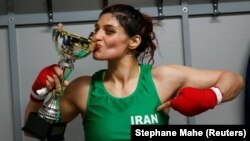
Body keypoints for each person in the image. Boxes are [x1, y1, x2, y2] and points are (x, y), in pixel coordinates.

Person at [24, 4, 245, 141]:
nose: (96, 37)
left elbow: (235, 80)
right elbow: (34, 132)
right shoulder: (83, 89)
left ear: (133, 41)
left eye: (108, 31)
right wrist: (37, 94)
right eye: (95, 29)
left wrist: (211, 96)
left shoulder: (163, 79)